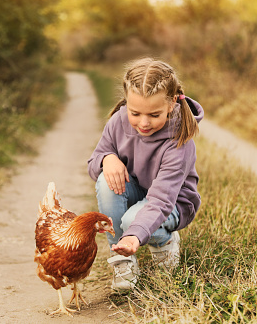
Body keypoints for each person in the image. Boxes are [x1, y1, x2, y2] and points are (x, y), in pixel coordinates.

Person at [87, 57, 204, 291]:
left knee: (132, 220)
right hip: (138, 191)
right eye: (135, 113)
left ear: (172, 103)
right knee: (104, 180)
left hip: (172, 203)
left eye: (153, 115)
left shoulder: (179, 141)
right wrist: (107, 159)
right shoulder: (118, 121)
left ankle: (164, 241)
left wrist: (134, 235)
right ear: (127, 102)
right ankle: (123, 260)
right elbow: (93, 164)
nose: (143, 123)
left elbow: (161, 200)